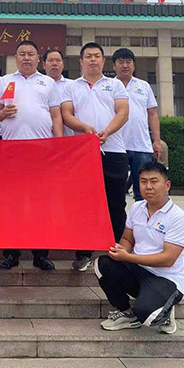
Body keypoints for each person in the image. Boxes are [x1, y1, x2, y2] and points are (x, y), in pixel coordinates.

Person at [0, 40, 63, 271]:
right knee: (11, 204)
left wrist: (60, 144)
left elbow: (56, 116)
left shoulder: (47, 82)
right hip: (11, 151)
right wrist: (3, 113)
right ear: (15, 58)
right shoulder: (5, 81)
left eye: (31, 54)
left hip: (42, 152)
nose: (26, 58)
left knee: (41, 204)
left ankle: (40, 254)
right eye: (22, 54)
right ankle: (10, 253)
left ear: (38, 58)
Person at [95, 161, 184, 335]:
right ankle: (126, 312)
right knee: (102, 264)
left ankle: (165, 311)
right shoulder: (137, 208)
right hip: (139, 271)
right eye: (143, 181)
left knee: (146, 315)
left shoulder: (178, 217)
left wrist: (127, 257)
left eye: (154, 181)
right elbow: (127, 239)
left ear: (167, 185)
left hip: (166, 279)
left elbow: (168, 259)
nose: (148, 187)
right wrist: (120, 251)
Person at [61, 42, 129, 271]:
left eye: (97, 56)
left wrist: (107, 132)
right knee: (84, 204)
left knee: (115, 203)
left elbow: (123, 112)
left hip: (114, 151)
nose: (92, 59)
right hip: (83, 153)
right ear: (81, 61)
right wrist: (84, 129)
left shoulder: (115, 84)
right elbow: (66, 114)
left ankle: (118, 251)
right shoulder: (71, 87)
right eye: (88, 56)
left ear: (103, 61)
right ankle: (84, 253)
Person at [112, 48, 163, 202]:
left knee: (144, 192)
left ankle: (143, 218)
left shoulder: (144, 86)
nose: (125, 65)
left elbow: (152, 114)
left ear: (134, 65)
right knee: (115, 191)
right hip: (115, 145)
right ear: (114, 66)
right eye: (120, 62)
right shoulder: (108, 86)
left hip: (141, 146)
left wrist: (157, 140)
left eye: (128, 62)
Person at [43, 49, 74, 136]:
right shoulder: (37, 85)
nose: (54, 64)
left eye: (58, 60)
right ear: (44, 65)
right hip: (44, 135)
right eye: (50, 60)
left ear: (63, 64)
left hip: (68, 136)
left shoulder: (73, 85)